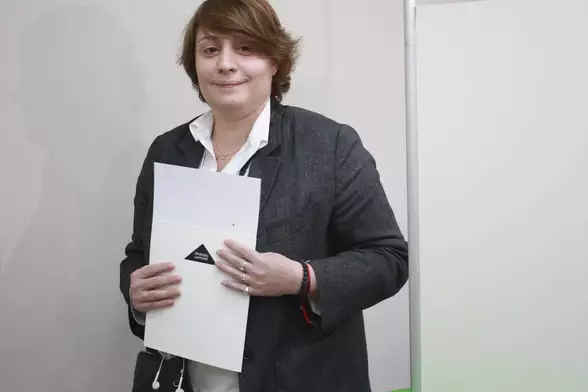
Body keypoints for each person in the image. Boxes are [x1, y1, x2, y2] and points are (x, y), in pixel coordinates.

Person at [119, 1, 408, 391]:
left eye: (245, 48)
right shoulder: (168, 150)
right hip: (187, 381)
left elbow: (389, 259)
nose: (225, 63)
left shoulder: (330, 144)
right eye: (210, 50)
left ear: (274, 61)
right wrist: (137, 294)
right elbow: (139, 252)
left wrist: (300, 277)